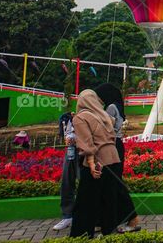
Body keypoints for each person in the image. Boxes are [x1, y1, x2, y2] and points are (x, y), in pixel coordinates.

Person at [69, 90, 122, 238]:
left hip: (98, 160)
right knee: (108, 199)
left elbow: (87, 144)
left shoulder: (80, 118)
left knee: (86, 201)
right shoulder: (105, 116)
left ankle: (82, 235)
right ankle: (109, 232)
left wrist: (92, 164)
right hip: (113, 158)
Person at [95, 83, 140, 233]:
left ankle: (132, 218)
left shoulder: (110, 108)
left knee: (114, 183)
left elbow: (105, 128)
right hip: (117, 145)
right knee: (113, 183)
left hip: (111, 145)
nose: (99, 99)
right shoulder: (118, 106)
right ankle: (107, 219)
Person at [53, 111, 79, 231]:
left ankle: (93, 217)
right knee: (66, 182)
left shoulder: (90, 114)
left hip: (84, 153)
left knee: (85, 185)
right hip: (70, 152)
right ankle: (68, 216)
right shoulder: (69, 118)